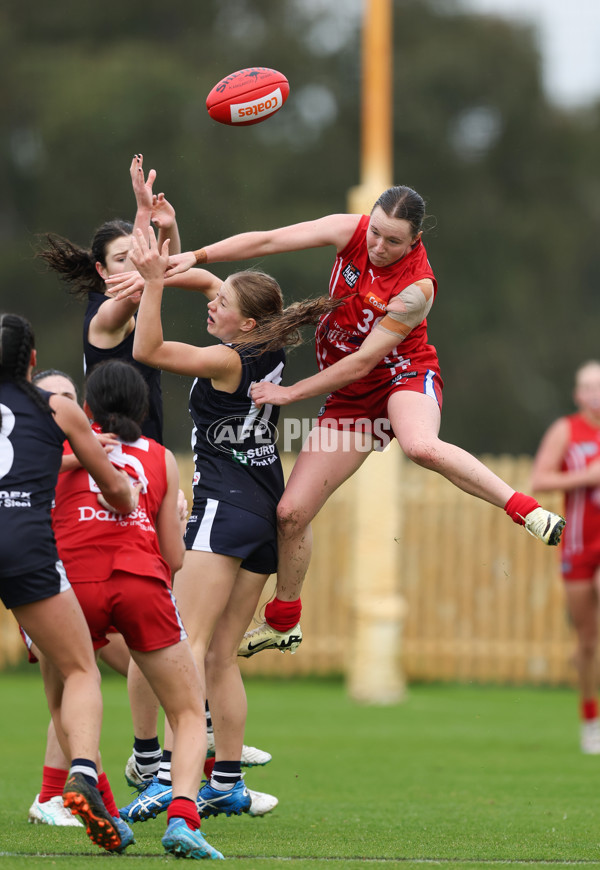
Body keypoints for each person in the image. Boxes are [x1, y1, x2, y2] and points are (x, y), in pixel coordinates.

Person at [161, 184, 567, 655]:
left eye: (393, 241)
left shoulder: (417, 289)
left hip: (402, 377)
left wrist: (290, 392)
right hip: (351, 401)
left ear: (414, 241)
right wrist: (197, 255)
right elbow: (269, 241)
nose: (378, 247)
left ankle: (525, 510)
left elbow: (362, 362)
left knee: (420, 447)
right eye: (375, 233)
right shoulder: (350, 232)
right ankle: (284, 619)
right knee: (290, 514)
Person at [118, 227, 336, 824]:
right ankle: (230, 782)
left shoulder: (227, 359)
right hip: (264, 514)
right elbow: (215, 282)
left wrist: (155, 283)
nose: (212, 306)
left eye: (222, 307)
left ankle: (166, 775)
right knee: (219, 656)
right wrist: (167, 242)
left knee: (179, 646)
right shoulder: (265, 343)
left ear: (246, 323)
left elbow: (148, 351)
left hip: (224, 508)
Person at [47, 357, 223, 859]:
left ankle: (92, 788)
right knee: (188, 711)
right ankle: (184, 820)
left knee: (70, 690)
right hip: (141, 581)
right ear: (143, 409)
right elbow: (173, 558)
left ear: (86, 408)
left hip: (73, 583)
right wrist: (180, 518)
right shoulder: (160, 458)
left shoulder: (59, 449)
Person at [0, 313, 138, 852]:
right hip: (26, 548)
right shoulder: (56, 407)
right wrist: (126, 499)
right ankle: (81, 771)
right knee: (81, 668)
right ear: (31, 363)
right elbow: (113, 484)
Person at [37, 154, 179, 443]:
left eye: (136, 254)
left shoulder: (136, 305)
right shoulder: (103, 318)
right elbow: (137, 286)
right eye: (121, 258)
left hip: (148, 448)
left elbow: (165, 271)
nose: (136, 262)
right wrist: (142, 210)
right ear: (100, 269)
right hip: (114, 454)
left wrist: (168, 225)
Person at [530, 360, 600, 755]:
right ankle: (591, 721)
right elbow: (540, 479)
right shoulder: (566, 431)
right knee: (588, 643)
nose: (595, 393)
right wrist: (586, 478)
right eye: (588, 387)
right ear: (578, 395)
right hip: (577, 545)